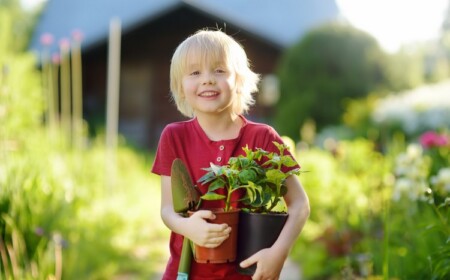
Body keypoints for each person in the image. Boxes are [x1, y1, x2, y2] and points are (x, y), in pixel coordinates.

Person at [152, 29, 310, 280]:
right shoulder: (174, 137)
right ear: (180, 87)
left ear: (238, 81)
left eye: (219, 70)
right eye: (195, 72)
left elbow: (300, 204)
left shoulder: (262, 138)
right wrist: (187, 227)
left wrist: (278, 254)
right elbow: (168, 210)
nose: (207, 80)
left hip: (246, 274)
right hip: (186, 274)